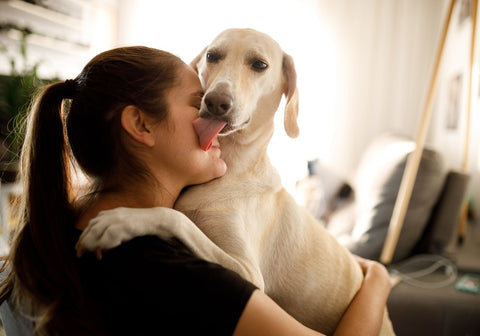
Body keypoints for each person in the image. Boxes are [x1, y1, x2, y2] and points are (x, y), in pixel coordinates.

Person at [0, 46, 392, 335]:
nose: (215, 112)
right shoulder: (166, 266)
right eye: (197, 102)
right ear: (141, 125)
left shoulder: (53, 233)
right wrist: (376, 282)